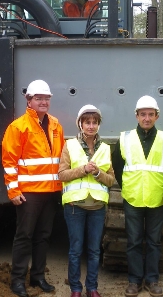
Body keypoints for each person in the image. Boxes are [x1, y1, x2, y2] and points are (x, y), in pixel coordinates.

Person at [2, 79, 65, 297]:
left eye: (46, 98)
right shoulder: (18, 127)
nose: (43, 102)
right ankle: (17, 280)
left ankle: (38, 276)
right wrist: (13, 191)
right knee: (24, 236)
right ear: (28, 100)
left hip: (50, 192)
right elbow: (9, 162)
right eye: (38, 98)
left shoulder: (56, 125)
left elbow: (61, 158)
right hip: (29, 193)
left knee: (43, 236)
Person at [112, 95, 163, 297]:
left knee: (154, 242)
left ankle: (152, 280)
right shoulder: (125, 138)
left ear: (157, 116)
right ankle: (135, 281)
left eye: (150, 114)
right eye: (143, 114)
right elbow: (118, 167)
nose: (147, 118)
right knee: (134, 241)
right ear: (136, 116)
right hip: (133, 197)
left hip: (157, 197)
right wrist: (128, 187)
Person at [58, 105, 115, 297]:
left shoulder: (106, 149)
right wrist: (83, 169)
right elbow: (62, 174)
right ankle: (75, 288)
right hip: (75, 207)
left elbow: (111, 179)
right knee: (75, 250)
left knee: (94, 251)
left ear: (99, 124)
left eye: (94, 122)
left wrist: (98, 173)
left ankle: (92, 288)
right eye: (87, 122)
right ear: (80, 124)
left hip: (97, 207)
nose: (91, 126)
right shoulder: (70, 145)